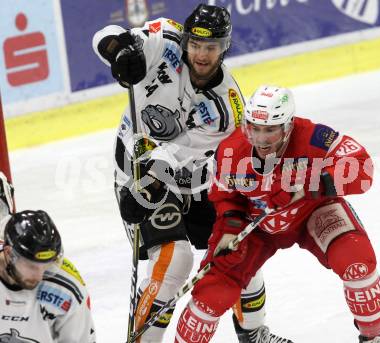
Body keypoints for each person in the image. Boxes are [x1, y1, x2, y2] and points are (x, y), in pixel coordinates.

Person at [93, 4, 291, 343]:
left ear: (224, 47)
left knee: (241, 246)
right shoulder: (164, 42)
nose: (201, 54)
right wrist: (118, 51)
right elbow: (105, 37)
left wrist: (148, 185)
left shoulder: (227, 108)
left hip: (190, 178)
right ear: (185, 40)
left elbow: (176, 157)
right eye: (195, 45)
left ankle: (253, 333)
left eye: (211, 47)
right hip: (134, 169)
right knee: (174, 260)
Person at [174, 85, 380, 343]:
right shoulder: (230, 151)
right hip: (255, 224)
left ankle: (374, 338)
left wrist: (314, 183)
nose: (261, 139)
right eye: (255, 128)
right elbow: (224, 197)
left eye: (270, 130)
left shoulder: (315, 136)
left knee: (357, 263)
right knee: (209, 297)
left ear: (287, 126)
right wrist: (230, 227)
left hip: (312, 212)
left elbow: (362, 168)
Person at [0, 173, 96, 342]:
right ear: (9, 254)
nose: (39, 276)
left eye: (45, 266)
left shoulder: (66, 291)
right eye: (31, 266)